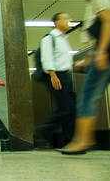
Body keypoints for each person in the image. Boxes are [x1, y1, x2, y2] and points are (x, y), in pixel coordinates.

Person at [59, 0, 110, 154]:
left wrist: (101, 53)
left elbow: (108, 23)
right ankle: (85, 139)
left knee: (87, 97)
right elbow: (101, 31)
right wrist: (90, 58)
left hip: (108, 55)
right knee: (89, 96)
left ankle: (82, 141)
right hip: (108, 53)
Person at [34, 12, 76, 148]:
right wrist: (53, 75)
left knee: (71, 109)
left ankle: (69, 141)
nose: (68, 21)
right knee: (65, 108)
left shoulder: (63, 39)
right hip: (56, 76)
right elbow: (46, 58)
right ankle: (41, 132)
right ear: (56, 22)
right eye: (65, 19)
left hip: (65, 75)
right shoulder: (49, 38)